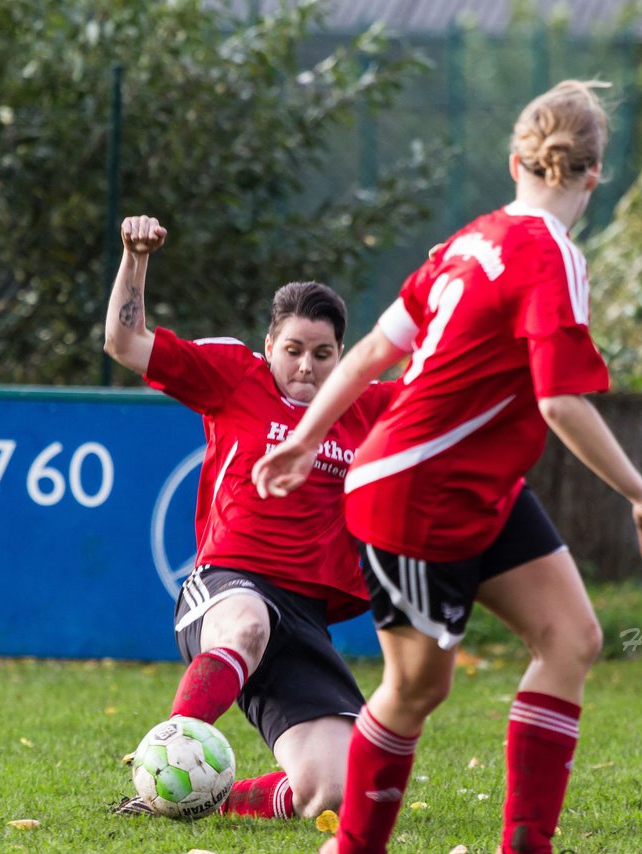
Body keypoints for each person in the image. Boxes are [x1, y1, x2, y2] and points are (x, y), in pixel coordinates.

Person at [252, 80, 642, 854]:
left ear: (514, 158)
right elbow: (561, 404)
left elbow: (369, 355)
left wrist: (302, 436)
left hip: (477, 487)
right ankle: (351, 847)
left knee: (572, 637)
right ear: (595, 174)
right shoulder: (553, 256)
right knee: (419, 689)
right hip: (414, 495)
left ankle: (526, 843)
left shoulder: (470, 239)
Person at [102, 215, 398, 820]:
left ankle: (198, 798)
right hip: (226, 586)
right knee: (246, 622)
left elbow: (451, 390)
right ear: (269, 348)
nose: (306, 366)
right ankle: (171, 752)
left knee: (338, 789)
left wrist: (456, 297)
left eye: (323, 354)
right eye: (293, 350)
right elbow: (124, 344)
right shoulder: (236, 375)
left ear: (344, 355)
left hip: (306, 614)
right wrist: (135, 257)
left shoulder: (366, 409)